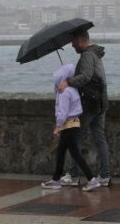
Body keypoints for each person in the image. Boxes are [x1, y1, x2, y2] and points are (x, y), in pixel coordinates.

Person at [57, 30, 111, 187]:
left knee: (74, 138)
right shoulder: (96, 54)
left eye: (73, 42)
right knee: (100, 139)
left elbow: (86, 76)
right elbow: (92, 76)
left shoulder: (87, 55)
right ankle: (105, 175)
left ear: (81, 40)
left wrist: (68, 82)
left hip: (89, 104)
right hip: (100, 103)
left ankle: (73, 175)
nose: (72, 45)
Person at [41, 64, 101, 192]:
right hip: (74, 123)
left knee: (74, 153)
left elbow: (63, 112)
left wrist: (58, 126)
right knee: (61, 152)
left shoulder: (64, 92)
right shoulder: (73, 89)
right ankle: (56, 180)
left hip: (68, 125)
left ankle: (92, 179)